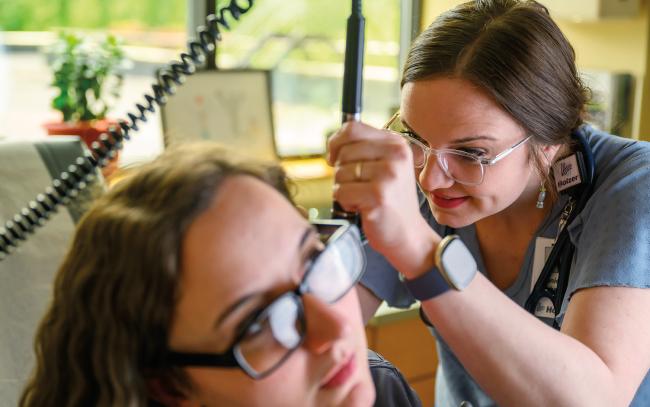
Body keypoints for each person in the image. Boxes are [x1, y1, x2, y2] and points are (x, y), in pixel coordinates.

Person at [328, 0, 650, 406]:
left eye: (471, 154)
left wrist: (420, 250)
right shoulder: (419, 168)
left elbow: (594, 400)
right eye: (416, 137)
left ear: (549, 140)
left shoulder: (633, 184)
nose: (429, 179)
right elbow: (319, 330)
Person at [18, 143, 388, 407]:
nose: (337, 328)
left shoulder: (384, 387)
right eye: (259, 323)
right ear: (167, 387)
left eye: (315, 261)